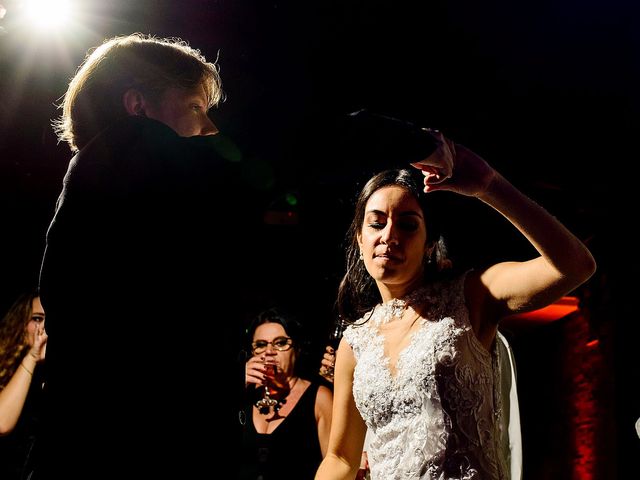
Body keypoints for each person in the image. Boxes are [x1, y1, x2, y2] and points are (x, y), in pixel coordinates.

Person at [36, 33, 259, 478]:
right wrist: (413, 141)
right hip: (139, 450)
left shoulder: (103, 181)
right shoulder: (128, 154)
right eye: (195, 106)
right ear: (137, 106)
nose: (208, 127)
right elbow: (292, 145)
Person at [315, 132, 596, 479]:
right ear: (360, 239)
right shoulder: (354, 343)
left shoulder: (471, 297)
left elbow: (575, 266)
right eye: (376, 223)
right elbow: (341, 458)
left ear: (430, 243)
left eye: (407, 225)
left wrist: (490, 186)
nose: (389, 235)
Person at [240, 308, 333, 479]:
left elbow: (335, 464)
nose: (269, 351)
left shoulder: (318, 397)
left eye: (280, 343)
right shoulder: (245, 395)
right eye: (260, 345)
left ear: (296, 349)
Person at [0, 292, 47, 480]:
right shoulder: (6, 369)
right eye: (37, 319)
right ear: (20, 324)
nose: (44, 327)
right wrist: (33, 356)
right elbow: (2, 422)